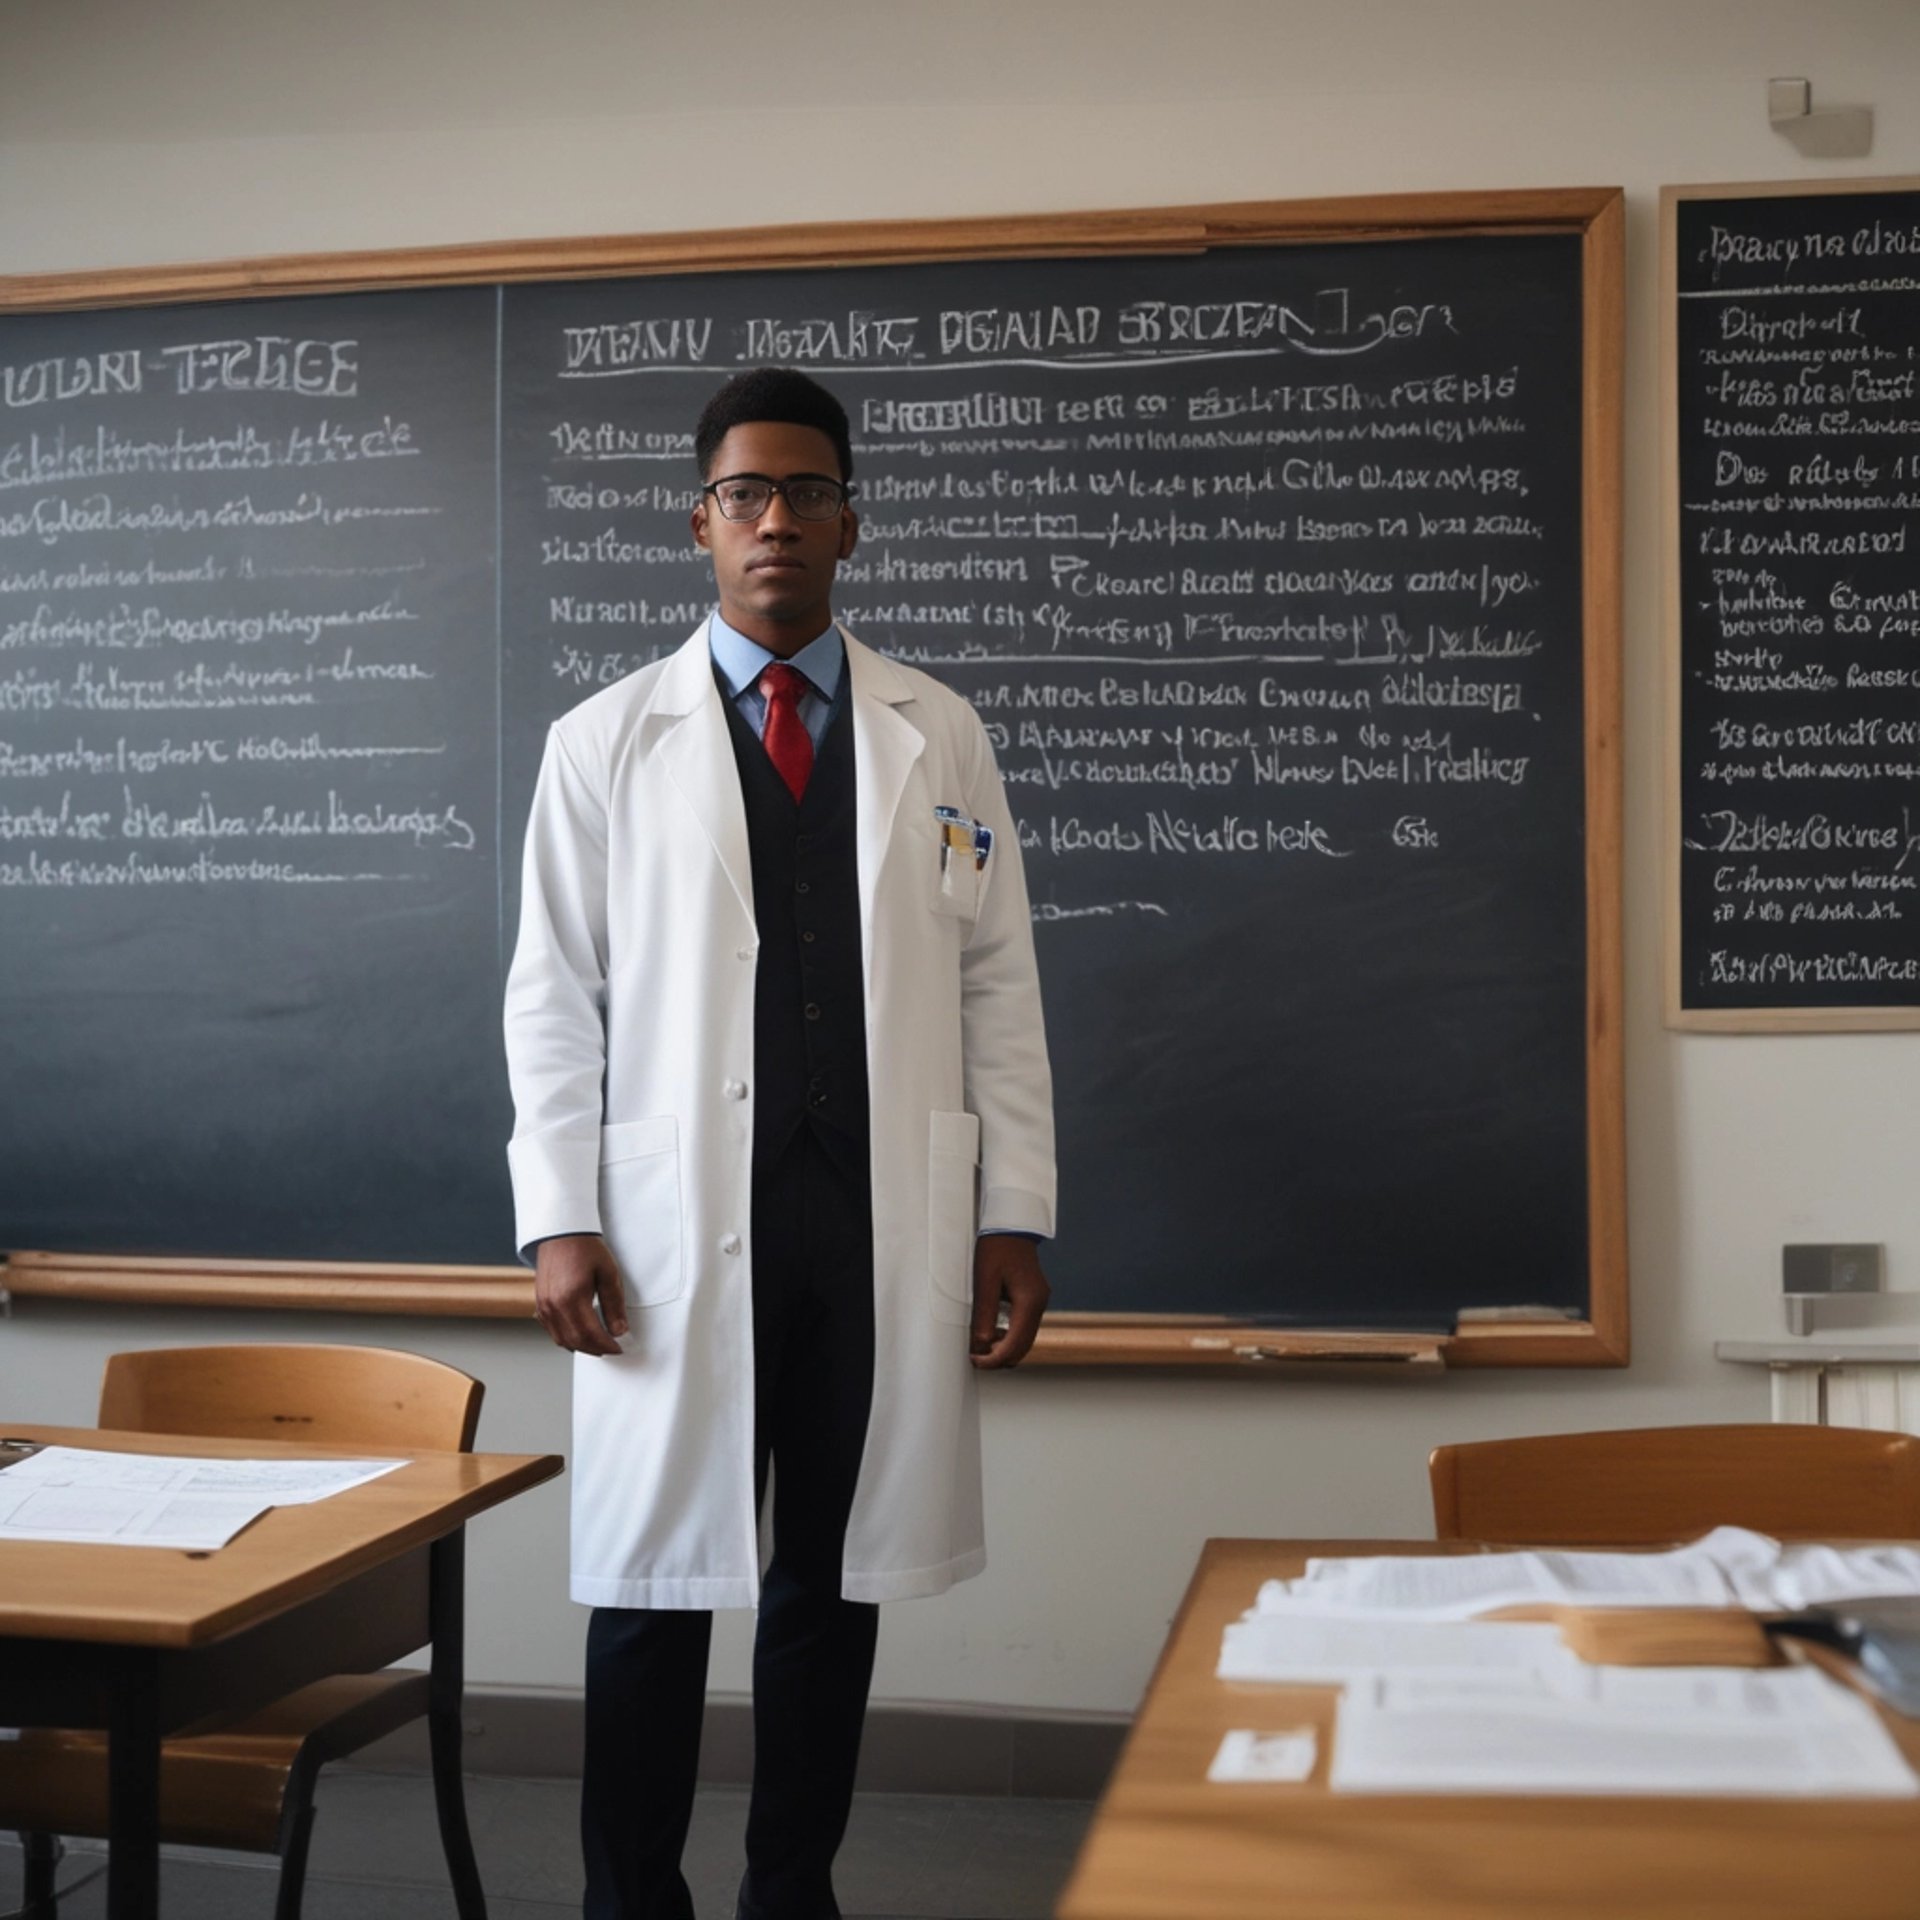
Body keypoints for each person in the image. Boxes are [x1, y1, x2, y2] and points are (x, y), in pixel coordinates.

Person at [502, 366, 1056, 1920]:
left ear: (850, 524)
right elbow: (551, 995)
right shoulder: (604, 741)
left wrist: (1013, 1209)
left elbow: (997, 978)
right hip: (674, 1228)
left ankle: (789, 1893)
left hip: (872, 1222)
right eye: (745, 495)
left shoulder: (937, 734)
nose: (776, 522)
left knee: (829, 1581)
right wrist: (558, 1215)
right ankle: (631, 1900)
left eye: (808, 494)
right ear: (701, 523)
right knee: (654, 1588)